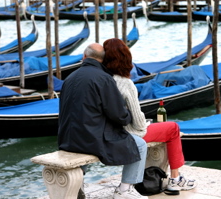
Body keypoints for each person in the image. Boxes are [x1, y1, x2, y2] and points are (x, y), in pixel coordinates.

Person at [102, 38, 197, 192]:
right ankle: (175, 178)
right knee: (173, 128)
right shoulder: (125, 83)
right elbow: (138, 123)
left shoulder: (102, 80)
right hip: (126, 134)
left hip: (107, 132)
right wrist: (144, 125)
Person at [58, 43, 149, 199]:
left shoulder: (70, 78)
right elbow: (119, 115)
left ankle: (77, 185)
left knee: (83, 140)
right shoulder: (104, 79)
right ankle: (124, 190)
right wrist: (127, 116)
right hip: (92, 139)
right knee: (139, 145)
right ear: (102, 60)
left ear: (84, 56)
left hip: (67, 138)